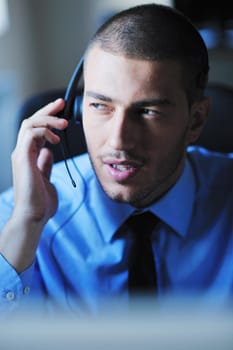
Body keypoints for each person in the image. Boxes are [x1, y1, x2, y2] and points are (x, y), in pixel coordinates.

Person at [0, 3, 232, 316]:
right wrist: (26, 225)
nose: (118, 140)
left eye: (148, 112)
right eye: (100, 106)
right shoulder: (19, 214)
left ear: (195, 121)